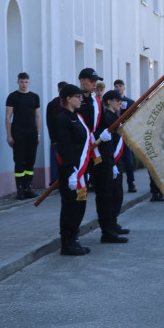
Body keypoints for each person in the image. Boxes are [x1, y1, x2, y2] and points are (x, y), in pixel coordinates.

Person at [77, 67, 127, 244]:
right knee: (77, 198)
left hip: (100, 154)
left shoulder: (95, 102)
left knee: (105, 194)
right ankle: (70, 237)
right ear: (81, 80)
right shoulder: (75, 100)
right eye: (91, 81)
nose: (94, 84)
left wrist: (101, 136)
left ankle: (108, 230)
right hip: (82, 154)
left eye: (95, 81)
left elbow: (99, 125)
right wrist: (97, 136)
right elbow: (77, 127)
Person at [54, 84, 91, 256]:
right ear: (68, 98)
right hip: (71, 171)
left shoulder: (77, 117)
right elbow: (64, 147)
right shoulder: (62, 118)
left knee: (80, 206)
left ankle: (74, 239)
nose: (81, 99)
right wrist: (71, 171)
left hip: (81, 171)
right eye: (78, 96)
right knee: (70, 207)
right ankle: (67, 243)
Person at [5, 72, 42, 199]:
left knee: (30, 160)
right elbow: (8, 116)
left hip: (31, 133)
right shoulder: (12, 97)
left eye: (26, 82)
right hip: (18, 132)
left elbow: (38, 116)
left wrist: (38, 134)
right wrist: (9, 135)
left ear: (29, 82)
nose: (24, 84)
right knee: (19, 160)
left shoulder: (34, 97)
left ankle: (28, 187)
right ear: (17, 82)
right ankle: (20, 189)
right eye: (21, 81)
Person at [98, 89, 129, 228]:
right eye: (117, 100)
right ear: (109, 101)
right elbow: (108, 143)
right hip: (110, 160)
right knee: (112, 195)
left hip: (116, 160)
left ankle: (114, 222)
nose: (119, 103)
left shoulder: (115, 116)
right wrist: (112, 163)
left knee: (118, 195)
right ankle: (110, 225)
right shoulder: (107, 117)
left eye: (120, 100)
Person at [114, 79, 138, 192]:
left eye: (120, 86)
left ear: (124, 88)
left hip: (127, 134)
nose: (118, 88)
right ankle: (116, 184)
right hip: (116, 135)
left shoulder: (130, 102)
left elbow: (135, 117)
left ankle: (131, 183)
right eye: (116, 86)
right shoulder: (111, 101)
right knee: (116, 160)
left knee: (129, 161)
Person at [45, 81, 69, 186]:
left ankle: (59, 181)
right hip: (57, 137)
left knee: (62, 160)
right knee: (56, 160)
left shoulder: (68, 103)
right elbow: (49, 122)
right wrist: (53, 138)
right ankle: (55, 181)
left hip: (63, 137)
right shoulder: (52, 104)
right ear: (58, 90)